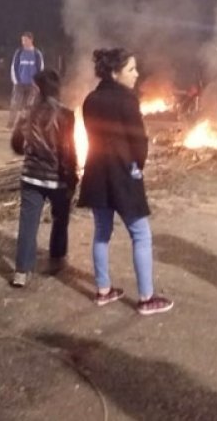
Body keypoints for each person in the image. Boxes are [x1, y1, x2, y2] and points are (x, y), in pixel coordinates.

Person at [78, 48, 174, 315]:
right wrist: (137, 167)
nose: (136, 74)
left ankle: (103, 290)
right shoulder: (127, 100)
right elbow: (138, 142)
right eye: (131, 69)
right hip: (123, 175)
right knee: (141, 235)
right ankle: (146, 298)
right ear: (114, 72)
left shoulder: (90, 100)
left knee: (101, 233)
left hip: (96, 173)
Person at [9, 69, 78, 287]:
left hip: (31, 177)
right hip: (57, 178)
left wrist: (33, 151)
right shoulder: (66, 114)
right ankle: (57, 259)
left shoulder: (26, 113)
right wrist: (71, 178)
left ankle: (21, 271)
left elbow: (17, 146)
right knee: (60, 219)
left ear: (38, 89)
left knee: (28, 224)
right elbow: (69, 150)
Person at [8, 31, 45, 128]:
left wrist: (38, 83)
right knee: (15, 104)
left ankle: (25, 124)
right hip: (19, 84)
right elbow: (14, 67)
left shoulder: (37, 54)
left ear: (31, 40)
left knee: (29, 106)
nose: (23, 42)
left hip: (32, 85)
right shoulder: (19, 52)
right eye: (22, 40)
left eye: (25, 40)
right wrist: (16, 81)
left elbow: (40, 69)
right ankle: (11, 123)